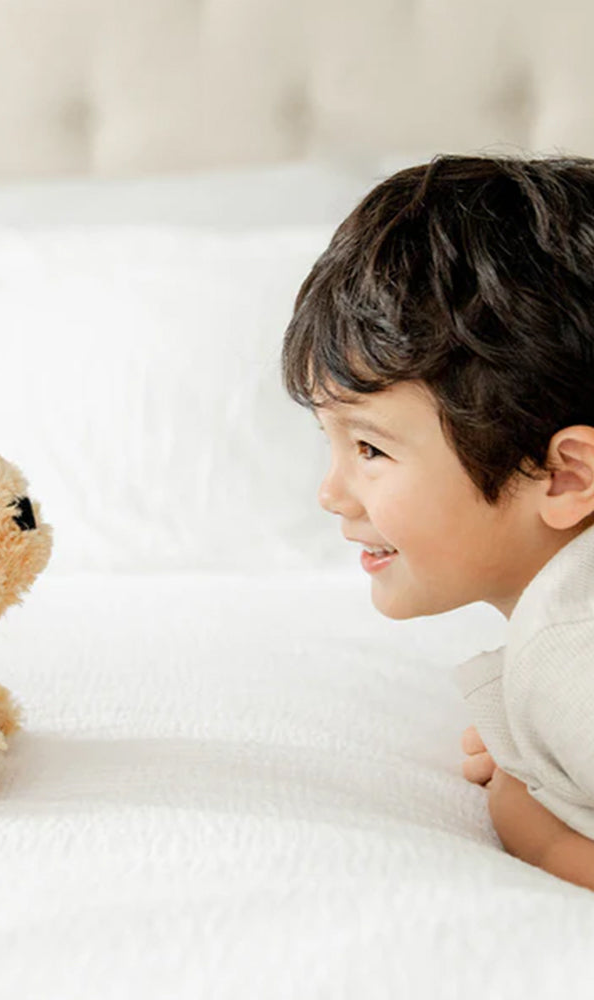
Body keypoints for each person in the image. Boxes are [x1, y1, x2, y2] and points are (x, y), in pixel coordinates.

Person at [281, 155, 594, 889]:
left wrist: (531, 818)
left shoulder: (573, 656)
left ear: (565, 476)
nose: (332, 492)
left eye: (370, 448)